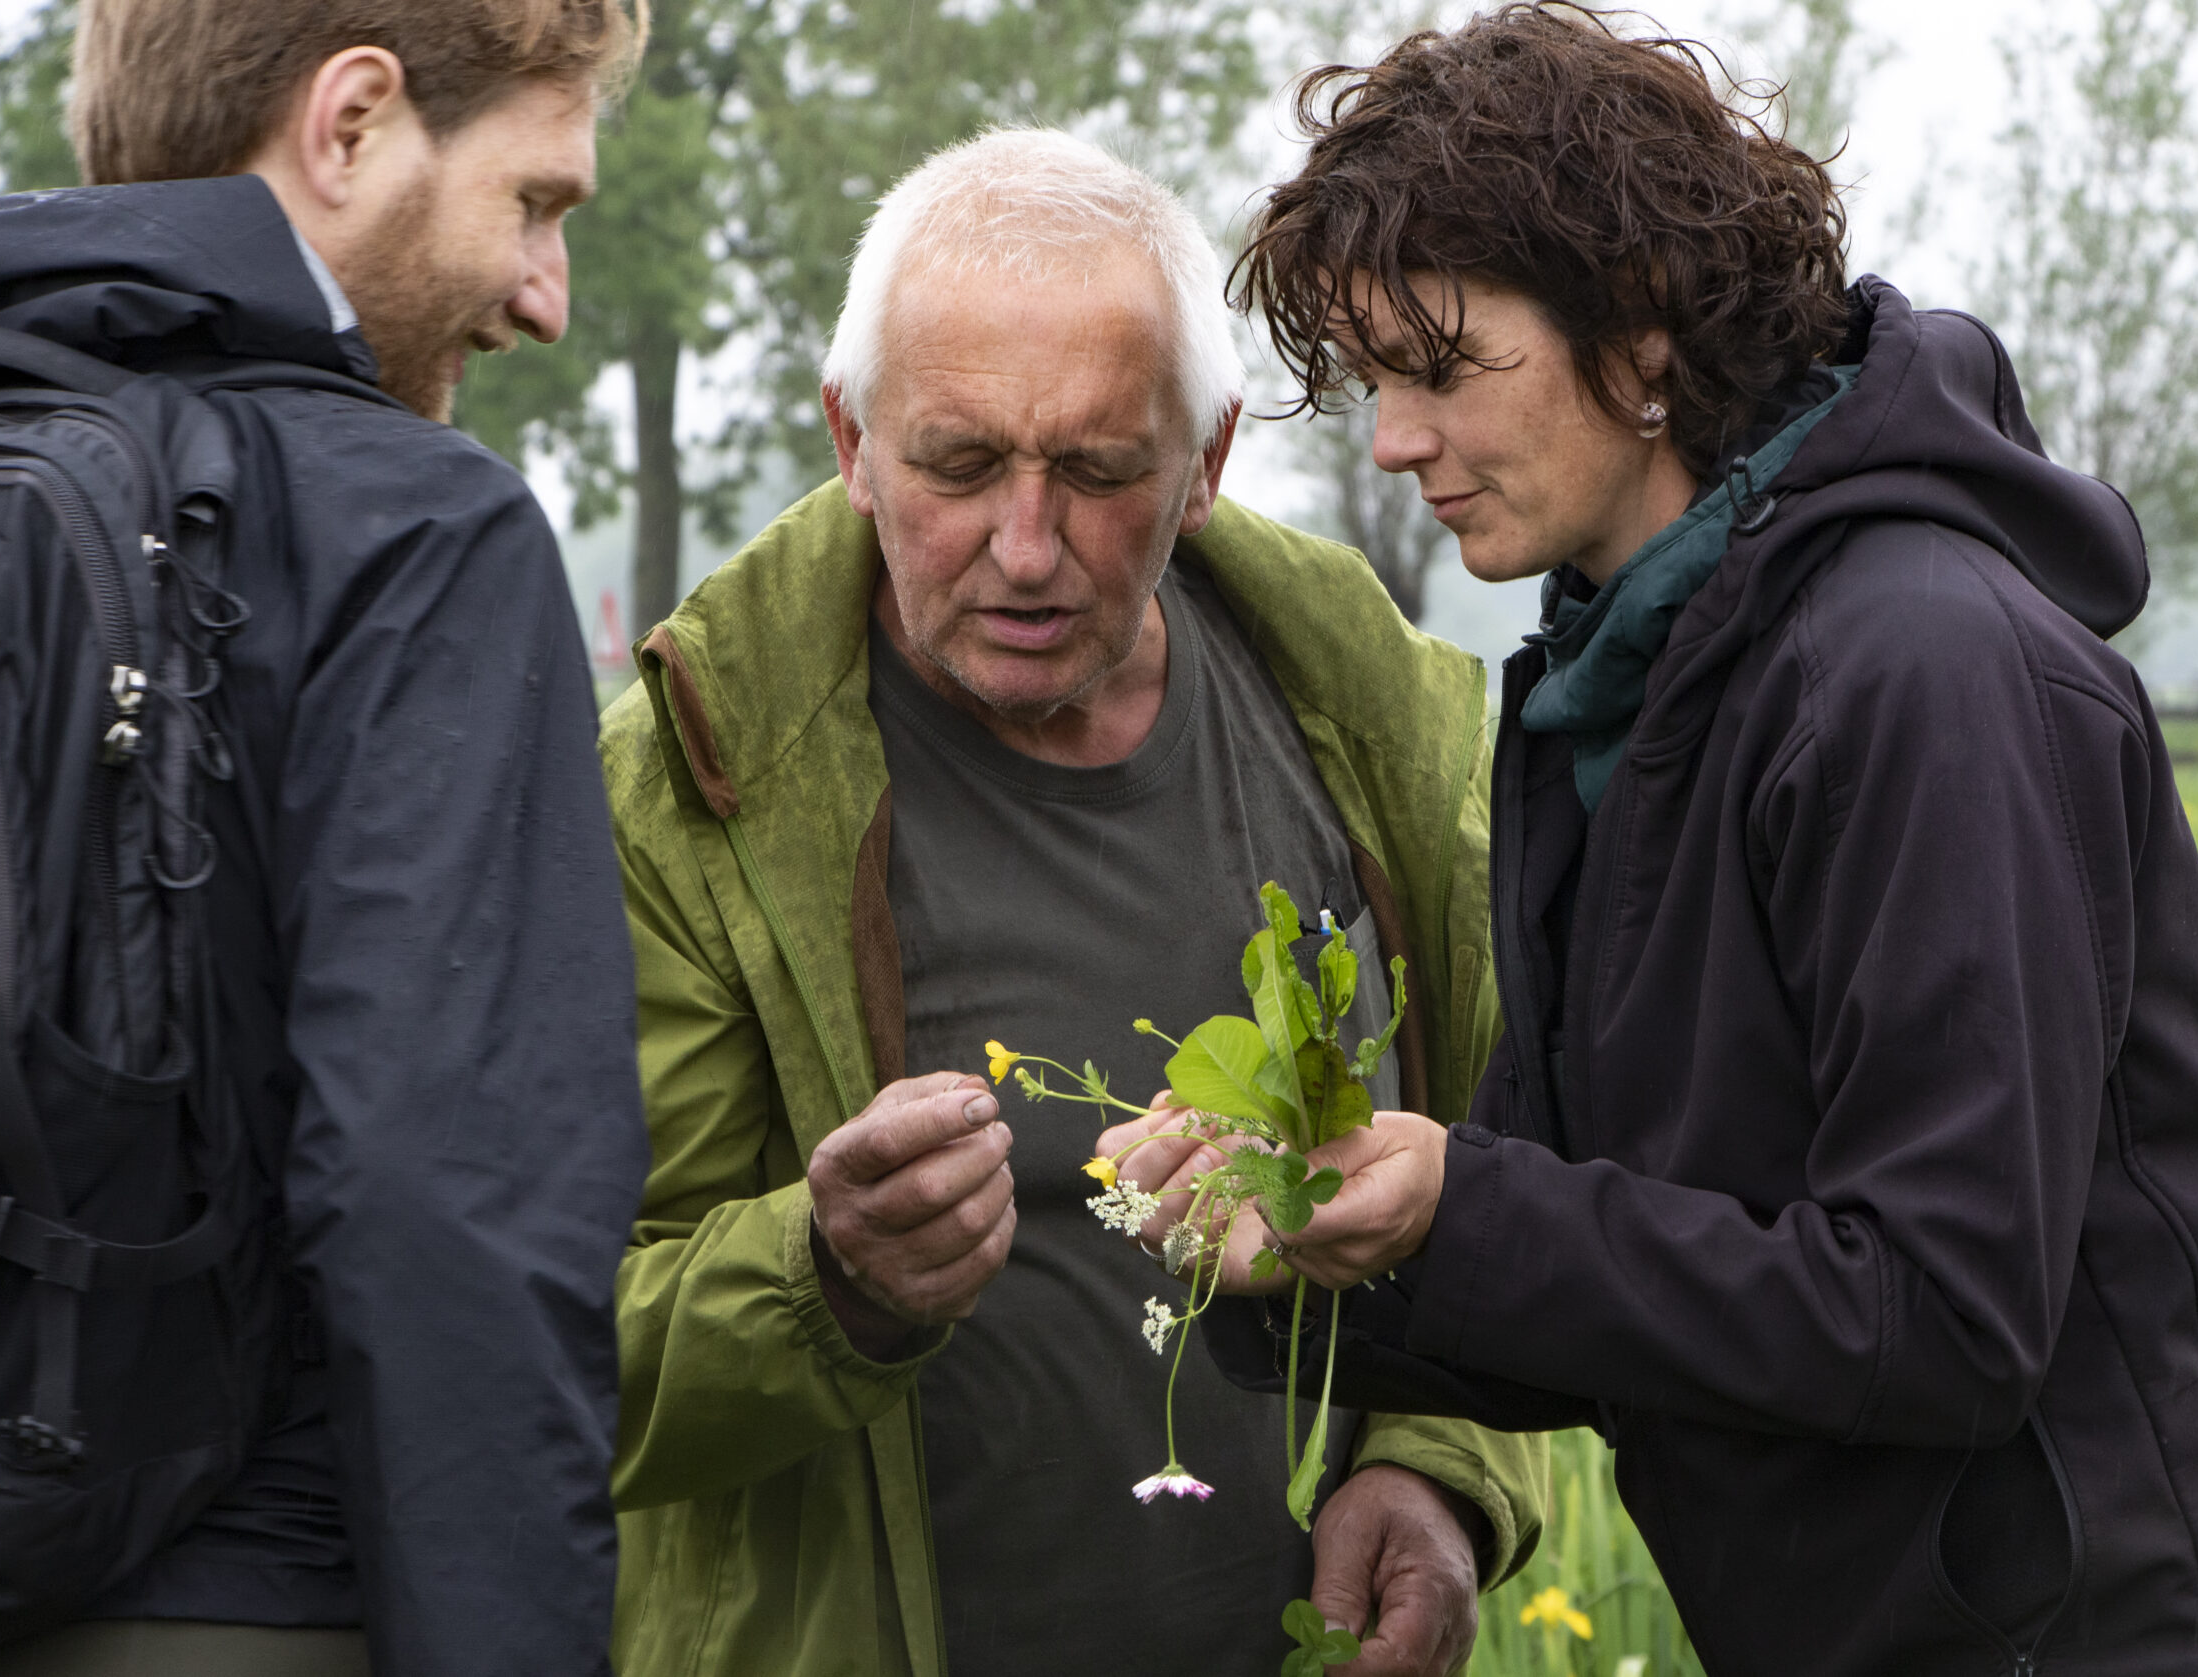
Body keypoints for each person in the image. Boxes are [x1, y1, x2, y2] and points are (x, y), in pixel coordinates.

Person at [1136, 7, 2198, 1674]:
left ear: (1641, 330)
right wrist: (1291, 1248)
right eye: (1372, 382)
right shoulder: (1618, 694)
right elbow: (1611, 1275)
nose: (1393, 442)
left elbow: (1941, 1315)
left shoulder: (1919, 668)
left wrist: (1470, 1210)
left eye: (1441, 369)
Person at [600, 127, 1544, 1677]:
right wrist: (826, 1277)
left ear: (1206, 465)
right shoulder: (693, 786)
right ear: (850, 439)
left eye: (1100, 472)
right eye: (956, 464)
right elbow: (551, 1361)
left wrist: (1440, 1471)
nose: (1024, 549)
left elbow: (1500, 1171)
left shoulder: (1373, 731)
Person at [0, 1, 650, 1671]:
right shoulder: (415, 529)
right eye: (537, 201)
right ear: (351, 126)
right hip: (238, 1596)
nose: (546, 299)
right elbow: (453, 1211)